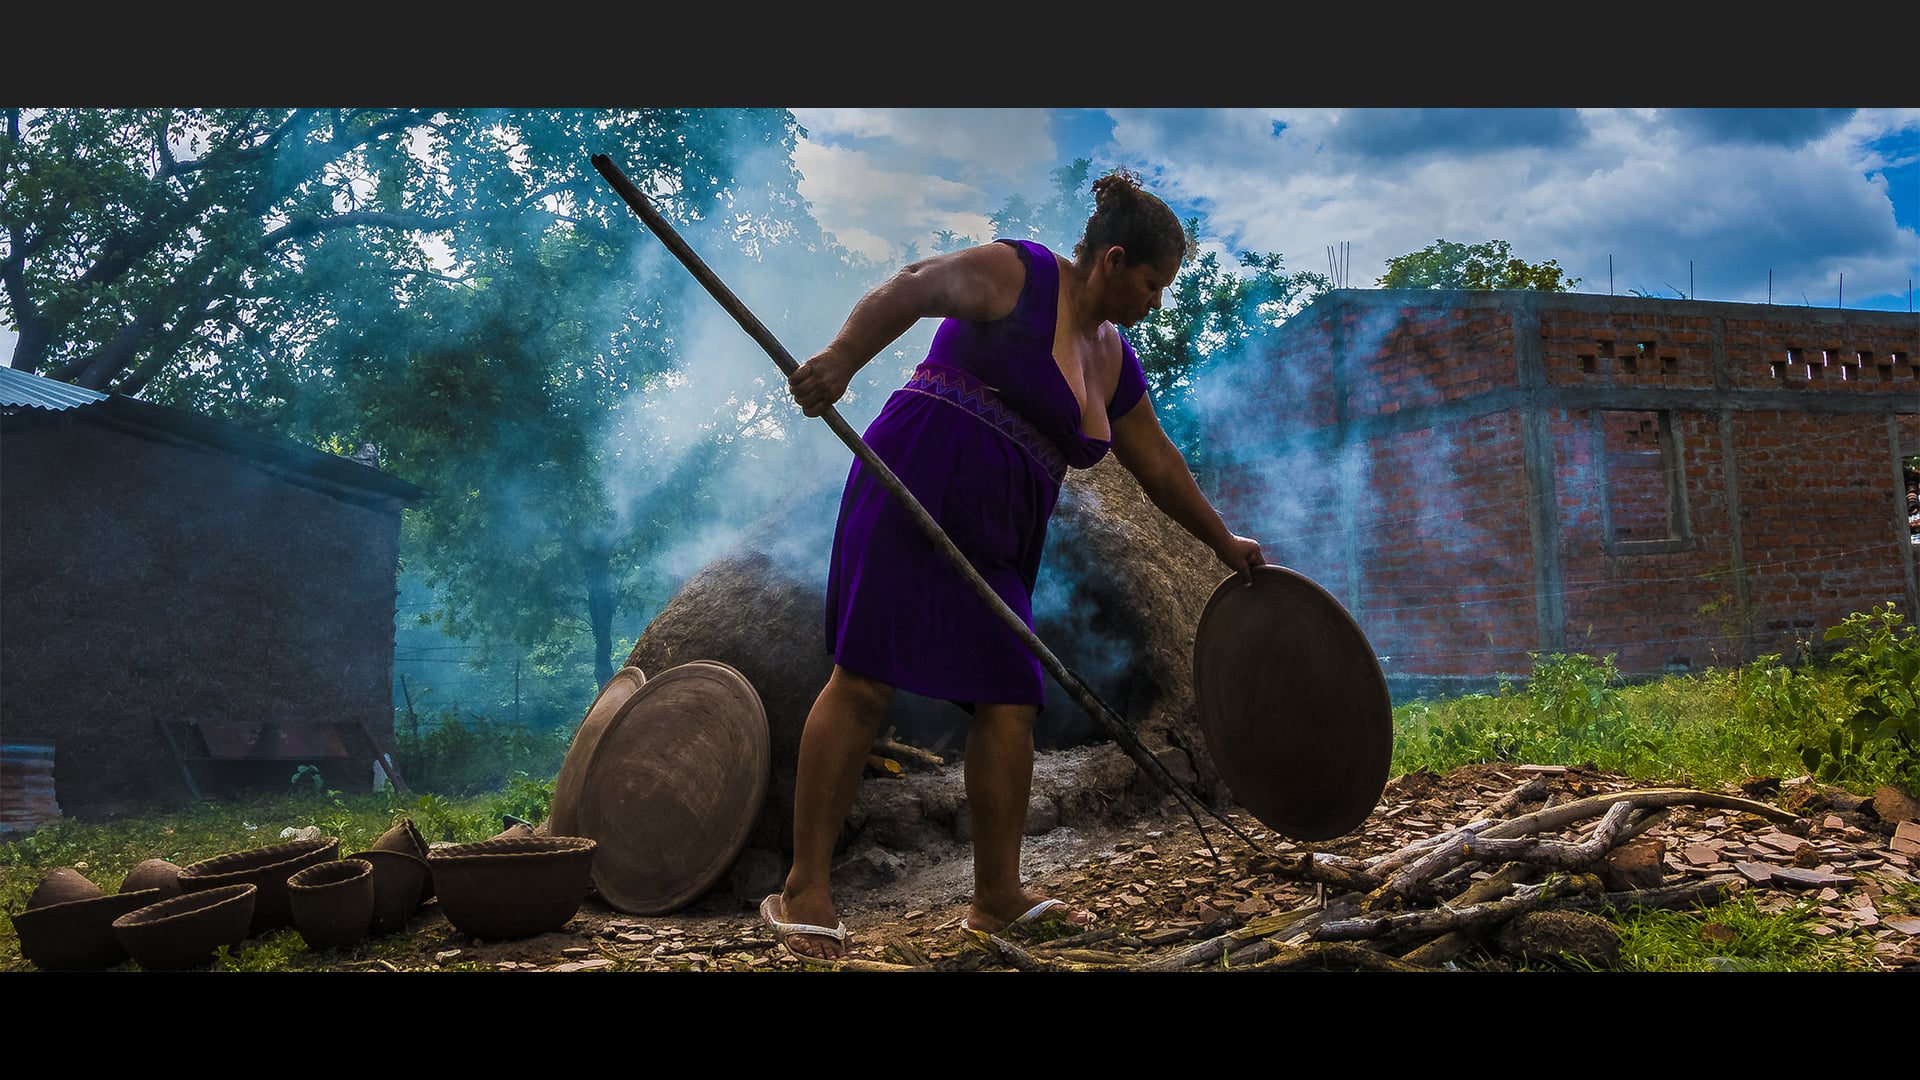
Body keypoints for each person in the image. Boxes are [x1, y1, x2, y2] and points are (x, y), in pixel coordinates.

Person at [759, 168, 1266, 964]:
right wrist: (843, 357)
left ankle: (996, 897)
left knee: (1010, 697)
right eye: (1153, 282)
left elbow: (1157, 463)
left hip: (1001, 532)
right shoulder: (1019, 274)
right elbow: (915, 285)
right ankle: (804, 890)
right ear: (1113, 259)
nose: (1156, 301)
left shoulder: (1114, 360)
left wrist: (1221, 541)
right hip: (915, 477)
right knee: (865, 679)